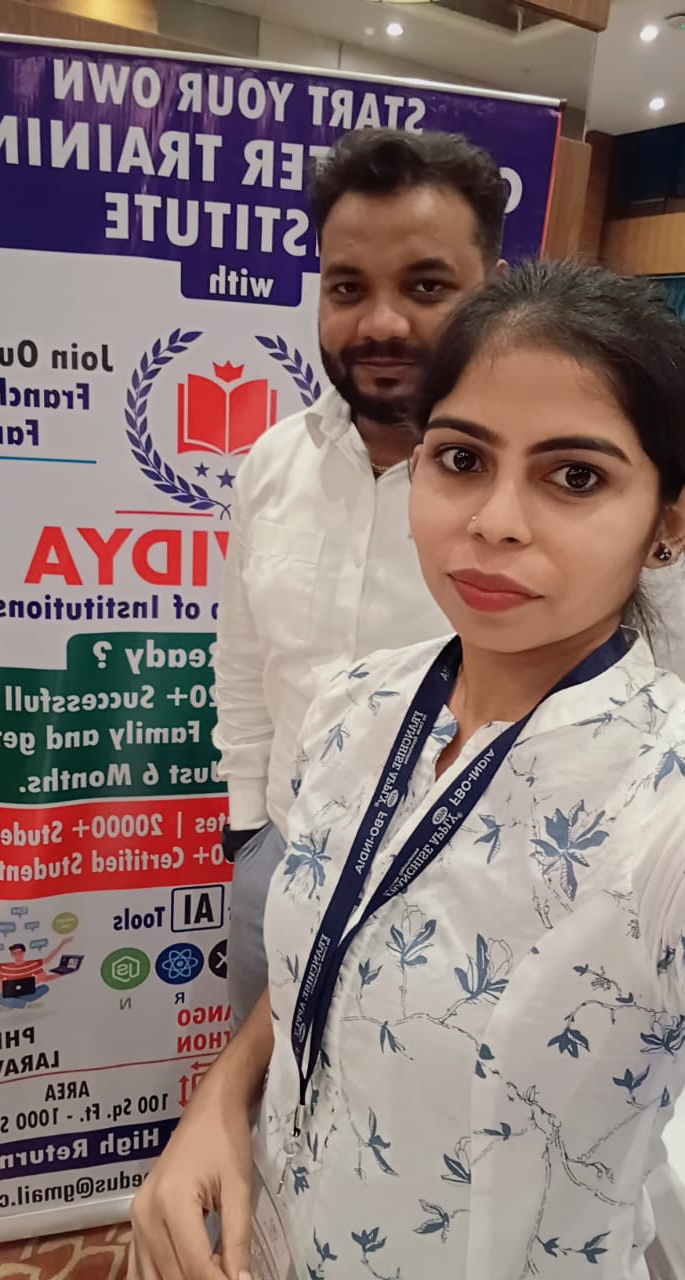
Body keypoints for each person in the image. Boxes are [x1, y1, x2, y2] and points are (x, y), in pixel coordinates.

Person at [130, 260, 685, 1280]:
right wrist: (217, 1103)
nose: (496, 519)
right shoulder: (356, 704)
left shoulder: (660, 809)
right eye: (462, 458)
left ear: (668, 522)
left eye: (574, 476)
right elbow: (330, 951)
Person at [214, 127, 508, 1027]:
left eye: (425, 286)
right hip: (281, 862)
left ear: (492, 289)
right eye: (347, 287)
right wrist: (247, 825)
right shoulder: (272, 463)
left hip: (469, 902)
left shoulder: (547, 494)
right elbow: (246, 659)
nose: (381, 323)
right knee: (261, 1099)